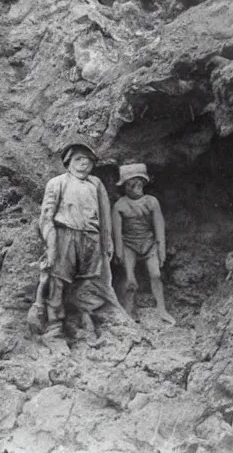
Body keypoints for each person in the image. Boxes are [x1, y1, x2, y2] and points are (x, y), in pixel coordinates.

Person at [36, 142, 129, 341]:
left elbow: (105, 215)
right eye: (79, 159)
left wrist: (107, 241)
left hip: (91, 238)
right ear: (68, 162)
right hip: (65, 235)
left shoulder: (95, 184)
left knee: (91, 280)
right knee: (58, 280)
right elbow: (46, 216)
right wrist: (51, 245)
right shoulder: (57, 183)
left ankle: (86, 319)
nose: (83, 165)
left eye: (88, 161)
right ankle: (54, 325)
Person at [112, 163, 174, 324]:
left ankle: (162, 309)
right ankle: (128, 311)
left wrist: (161, 249)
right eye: (132, 184)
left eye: (139, 183)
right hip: (129, 245)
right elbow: (117, 232)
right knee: (130, 280)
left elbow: (159, 226)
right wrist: (118, 252)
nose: (136, 187)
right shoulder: (120, 205)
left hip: (149, 243)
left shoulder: (151, 202)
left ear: (144, 183)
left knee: (156, 274)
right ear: (124, 186)